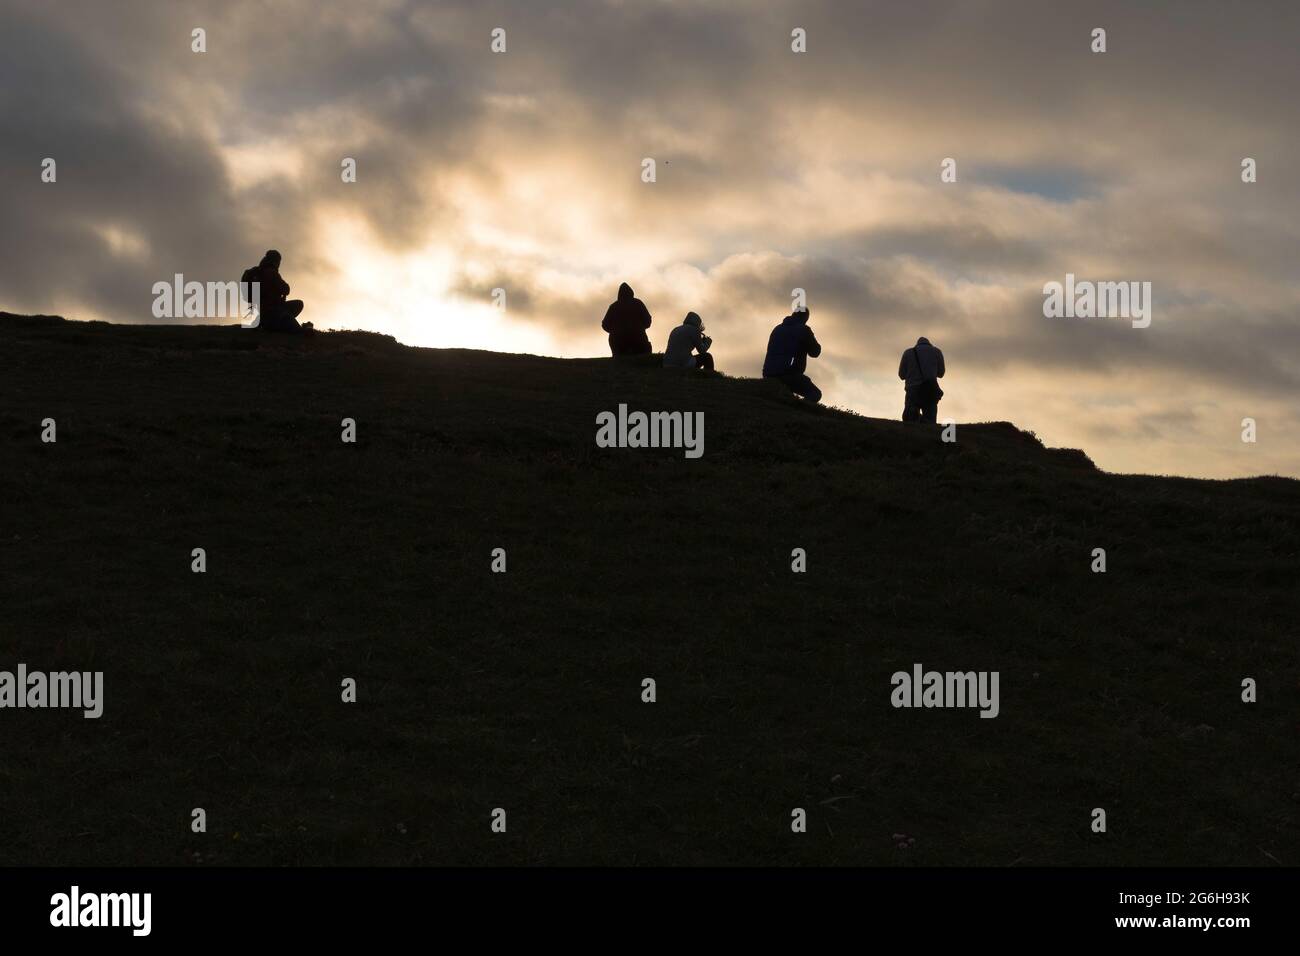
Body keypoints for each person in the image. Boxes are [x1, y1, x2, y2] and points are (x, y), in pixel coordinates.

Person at [761, 305, 822, 402]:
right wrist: (807, 341)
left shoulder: (778, 328)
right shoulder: (803, 329)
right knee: (815, 394)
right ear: (805, 318)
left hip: (768, 374)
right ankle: (800, 409)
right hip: (786, 375)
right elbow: (815, 352)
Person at [242, 250, 310, 333]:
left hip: (258, 311)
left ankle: (266, 323)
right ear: (276, 261)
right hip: (272, 311)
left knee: (297, 304)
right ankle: (275, 325)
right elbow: (286, 289)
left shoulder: (253, 272)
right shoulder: (271, 272)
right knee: (296, 311)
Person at [899, 336, 945, 423]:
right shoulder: (937, 352)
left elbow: (901, 375)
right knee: (930, 420)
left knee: (910, 420)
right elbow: (941, 373)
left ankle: (911, 435)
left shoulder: (908, 353)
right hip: (930, 389)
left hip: (912, 390)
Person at [600, 282, 653, 356]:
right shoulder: (638, 303)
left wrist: (615, 331)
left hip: (618, 343)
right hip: (638, 340)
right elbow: (648, 321)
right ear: (631, 292)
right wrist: (639, 328)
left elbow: (605, 324)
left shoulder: (614, 306)